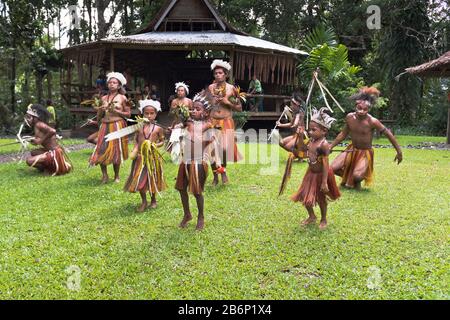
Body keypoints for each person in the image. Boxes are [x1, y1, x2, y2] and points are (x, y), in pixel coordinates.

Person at [330, 87, 403, 189]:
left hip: (365, 153)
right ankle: (350, 180)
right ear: (355, 106)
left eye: (365, 109)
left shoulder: (372, 121)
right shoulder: (350, 117)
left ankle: (355, 179)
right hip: (352, 149)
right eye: (359, 108)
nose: (362, 111)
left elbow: (389, 134)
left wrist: (399, 152)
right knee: (332, 168)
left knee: (357, 176)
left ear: (369, 109)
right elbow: (343, 134)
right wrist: (331, 147)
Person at [291, 108, 340, 230]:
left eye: (314, 130)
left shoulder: (323, 144)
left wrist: (324, 182)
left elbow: (325, 165)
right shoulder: (311, 141)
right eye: (309, 129)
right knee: (305, 196)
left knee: (321, 199)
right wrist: (301, 136)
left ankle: (324, 219)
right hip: (311, 173)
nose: (310, 132)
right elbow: (302, 149)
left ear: (324, 131)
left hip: (321, 175)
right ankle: (312, 216)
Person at [176, 91, 216, 231]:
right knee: (181, 188)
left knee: (197, 191)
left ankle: (201, 216)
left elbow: (210, 142)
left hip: (198, 162)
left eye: (198, 109)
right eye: (192, 108)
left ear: (205, 113)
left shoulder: (207, 125)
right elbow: (179, 126)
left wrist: (203, 142)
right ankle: (187, 214)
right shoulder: (188, 123)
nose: (194, 111)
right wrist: (175, 131)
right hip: (185, 161)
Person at [124, 99, 166, 212]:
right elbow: (137, 141)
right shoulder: (139, 127)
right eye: (146, 113)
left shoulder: (158, 128)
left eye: (152, 113)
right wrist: (134, 150)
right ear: (142, 114)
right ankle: (144, 201)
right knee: (140, 179)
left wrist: (154, 145)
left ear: (156, 114)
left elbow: (162, 141)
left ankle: (153, 200)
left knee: (151, 179)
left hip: (152, 158)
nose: (149, 115)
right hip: (140, 158)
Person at [89, 72, 131, 184]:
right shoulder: (103, 98)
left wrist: (115, 110)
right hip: (104, 125)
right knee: (101, 149)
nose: (112, 84)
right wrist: (100, 111)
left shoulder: (123, 98)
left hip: (117, 125)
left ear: (118, 85)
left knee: (116, 151)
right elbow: (99, 115)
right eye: (110, 82)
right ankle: (104, 175)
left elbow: (128, 114)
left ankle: (116, 176)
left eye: (114, 82)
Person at [208, 59, 243, 185]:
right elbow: (205, 105)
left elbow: (239, 108)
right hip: (212, 121)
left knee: (223, 149)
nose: (218, 75)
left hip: (226, 121)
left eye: (220, 73)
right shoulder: (210, 88)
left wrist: (227, 102)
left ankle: (223, 172)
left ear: (226, 74)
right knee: (212, 149)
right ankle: (215, 176)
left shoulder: (232, 89)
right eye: (216, 73)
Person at [24, 104, 72, 176]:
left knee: (29, 161)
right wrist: (33, 140)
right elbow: (40, 138)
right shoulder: (37, 125)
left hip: (54, 153)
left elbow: (53, 131)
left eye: (29, 117)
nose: (27, 119)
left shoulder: (39, 124)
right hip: (50, 151)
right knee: (33, 152)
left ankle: (53, 168)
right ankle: (50, 167)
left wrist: (40, 141)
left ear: (35, 117)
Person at [276, 92, 308, 160]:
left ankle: (300, 156)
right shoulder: (295, 113)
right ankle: (298, 155)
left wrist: (295, 124)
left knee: (288, 146)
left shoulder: (300, 113)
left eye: (292, 105)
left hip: (302, 136)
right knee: (281, 143)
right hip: (295, 135)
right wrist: (280, 125)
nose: (291, 106)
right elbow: (291, 123)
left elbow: (296, 121)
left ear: (297, 105)